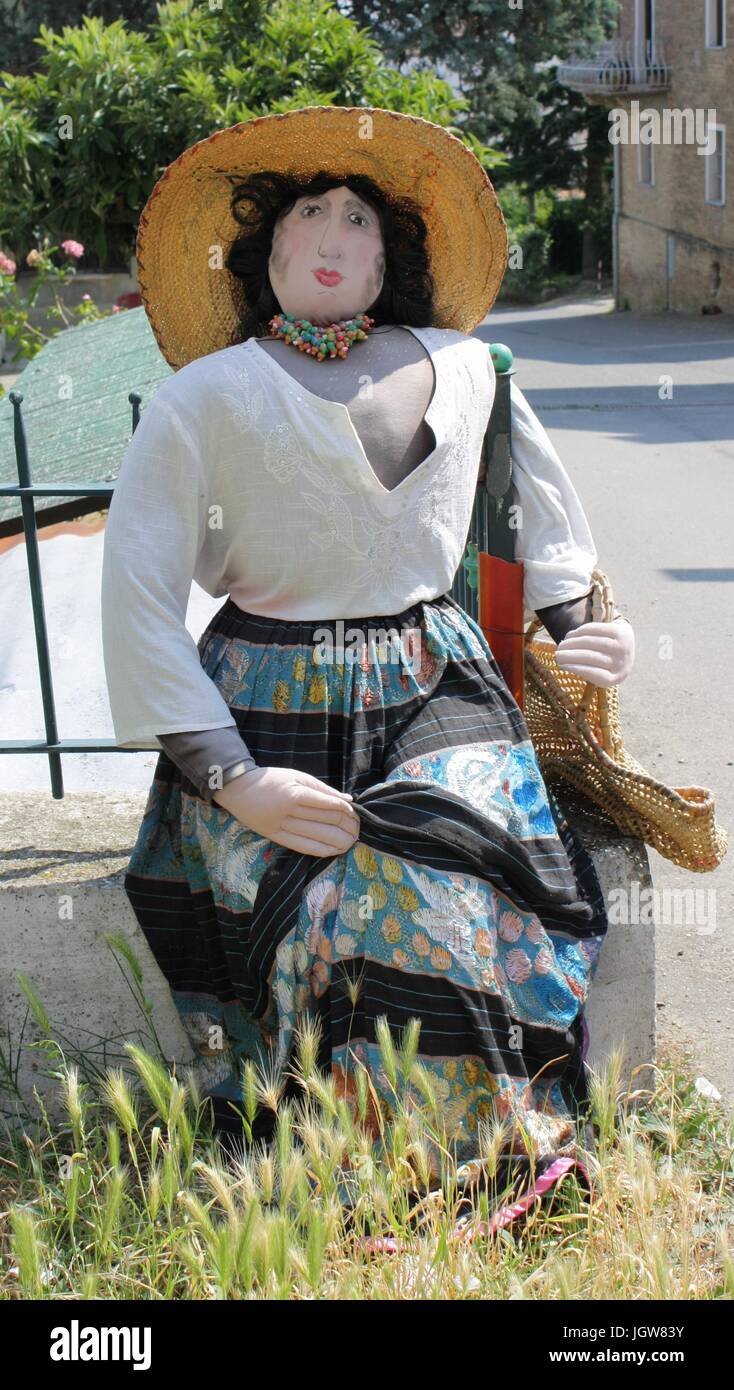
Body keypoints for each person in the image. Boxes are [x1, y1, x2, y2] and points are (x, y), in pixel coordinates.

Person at [101, 106, 634, 1220]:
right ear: (265, 252)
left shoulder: (471, 366)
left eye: (360, 216)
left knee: (425, 860)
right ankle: (332, 1157)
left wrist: (580, 611)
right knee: (314, 897)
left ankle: (478, 1149)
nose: (335, 232)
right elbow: (139, 593)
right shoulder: (204, 396)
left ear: (392, 255)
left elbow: (538, 505)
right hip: (263, 697)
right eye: (308, 215)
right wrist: (229, 773)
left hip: (434, 681)